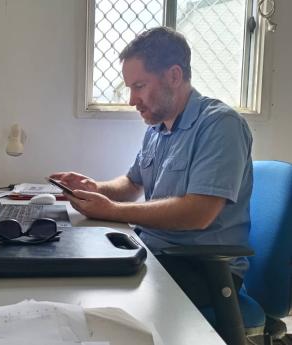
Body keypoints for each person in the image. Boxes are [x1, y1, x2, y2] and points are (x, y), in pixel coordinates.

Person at [51, 26, 253, 308]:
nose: (132, 100)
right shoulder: (157, 128)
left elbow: (199, 213)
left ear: (174, 76)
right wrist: (94, 188)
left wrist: (112, 211)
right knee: (71, 263)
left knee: (96, 293)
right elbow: (133, 184)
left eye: (139, 86)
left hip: (203, 269)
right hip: (154, 251)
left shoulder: (221, 125)